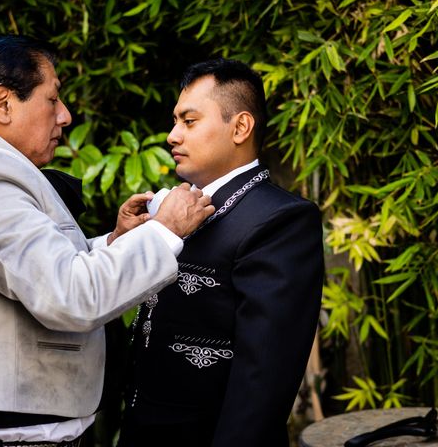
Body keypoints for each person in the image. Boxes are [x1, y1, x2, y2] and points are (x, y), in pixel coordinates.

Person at [0, 35, 214, 446]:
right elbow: (69, 295)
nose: (65, 115)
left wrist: (116, 241)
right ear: (3, 103)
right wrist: (166, 231)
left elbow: (33, 270)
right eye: (52, 99)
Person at [120, 58, 324, 447]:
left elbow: (262, 377)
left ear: (241, 127)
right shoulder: (177, 211)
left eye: (189, 121)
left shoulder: (281, 220)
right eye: (175, 122)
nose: (172, 136)